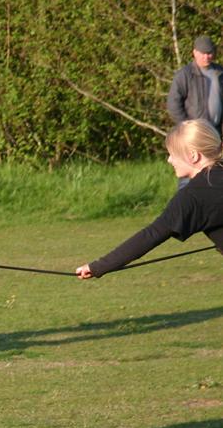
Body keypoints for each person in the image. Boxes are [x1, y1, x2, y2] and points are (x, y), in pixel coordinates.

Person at [76, 119, 223, 279]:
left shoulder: (193, 196)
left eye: (173, 154)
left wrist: (97, 266)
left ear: (193, 155)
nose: (169, 160)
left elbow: (151, 235)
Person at [167, 35, 223, 130]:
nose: (206, 57)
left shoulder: (220, 72)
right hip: (195, 133)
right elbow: (173, 104)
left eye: (209, 53)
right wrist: (188, 126)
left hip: (216, 131)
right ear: (195, 52)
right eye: (202, 53)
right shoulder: (185, 75)